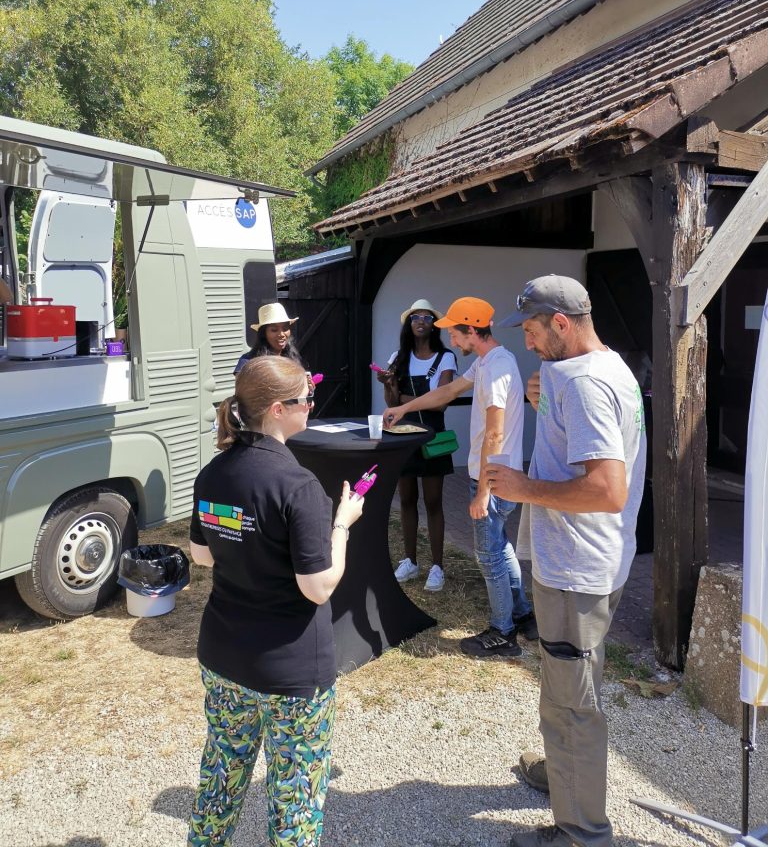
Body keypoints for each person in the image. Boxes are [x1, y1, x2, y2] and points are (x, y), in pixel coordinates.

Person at [484, 275, 646, 847]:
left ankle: (581, 833)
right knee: (563, 683)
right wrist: (542, 394)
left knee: (574, 700)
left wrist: (524, 488)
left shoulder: (584, 386)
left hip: (578, 566)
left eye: (531, 330)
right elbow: (574, 417)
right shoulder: (596, 366)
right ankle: (561, 775)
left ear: (560, 323)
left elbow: (608, 490)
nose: (526, 343)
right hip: (585, 561)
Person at [187, 355, 365, 847]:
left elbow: (202, 555)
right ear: (280, 410)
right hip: (289, 670)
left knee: (221, 777)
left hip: (224, 655)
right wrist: (342, 526)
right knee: (295, 800)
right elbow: (319, 586)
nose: (312, 405)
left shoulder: (214, 472)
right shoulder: (299, 486)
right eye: (308, 399)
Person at [384, 295, 537, 657]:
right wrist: (403, 406)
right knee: (501, 548)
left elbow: (495, 433)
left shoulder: (497, 368)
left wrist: (482, 491)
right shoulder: (487, 362)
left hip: (495, 479)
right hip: (497, 476)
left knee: (489, 556)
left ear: (471, 330)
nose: (451, 341)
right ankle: (524, 615)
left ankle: (503, 633)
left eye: (454, 333)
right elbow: (449, 390)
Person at [377, 298, 457, 592]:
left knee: (433, 502)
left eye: (426, 317)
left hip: (432, 436)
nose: (420, 321)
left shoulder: (445, 357)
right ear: (408, 325)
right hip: (403, 437)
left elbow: (442, 404)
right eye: (415, 317)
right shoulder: (399, 357)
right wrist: (389, 387)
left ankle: (437, 566)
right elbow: (390, 403)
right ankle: (409, 560)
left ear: (434, 324)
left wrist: (402, 401)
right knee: (407, 500)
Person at [234, 301, 307, 376]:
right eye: (274, 330)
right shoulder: (247, 361)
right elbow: (242, 387)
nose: (281, 334)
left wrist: (306, 386)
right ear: (263, 333)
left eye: (285, 328)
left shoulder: (292, 357)